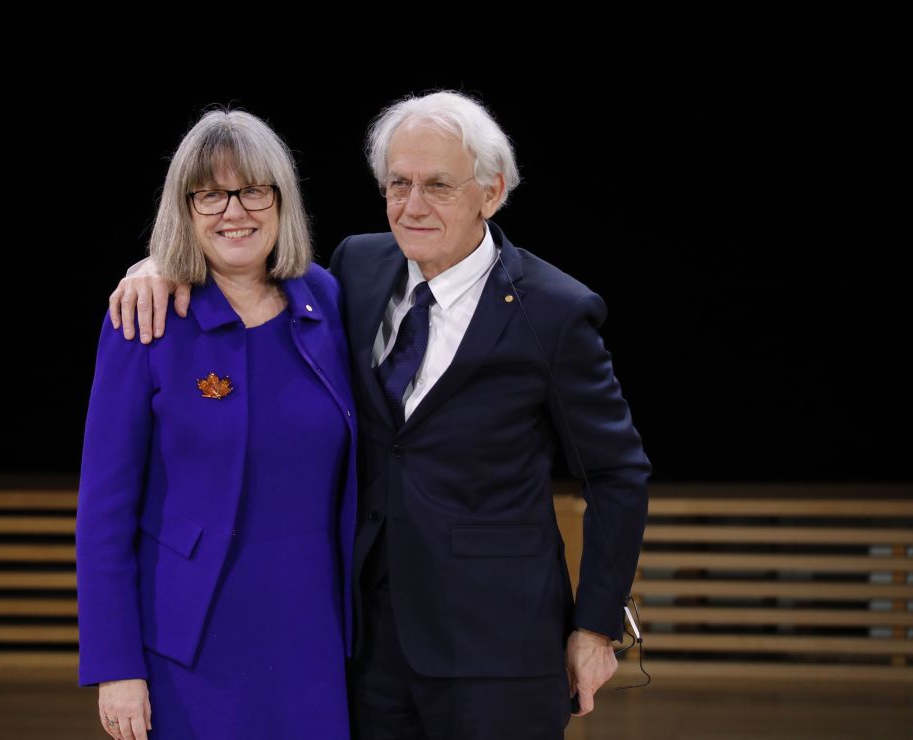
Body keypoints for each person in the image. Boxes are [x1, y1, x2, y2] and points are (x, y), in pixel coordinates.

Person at [110, 91, 650, 740]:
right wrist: (157, 265)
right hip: (368, 651)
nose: (413, 205)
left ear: (492, 191)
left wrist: (595, 628)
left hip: (499, 654)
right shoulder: (354, 272)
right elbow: (240, 266)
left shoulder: (555, 312)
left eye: (438, 186)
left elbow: (617, 474)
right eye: (398, 183)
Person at [76, 109, 357, 740]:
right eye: (210, 194)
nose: (235, 211)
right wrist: (116, 666)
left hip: (316, 637)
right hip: (189, 646)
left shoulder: (331, 301)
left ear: (282, 201)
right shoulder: (145, 319)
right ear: (185, 208)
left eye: (253, 189)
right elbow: (104, 511)